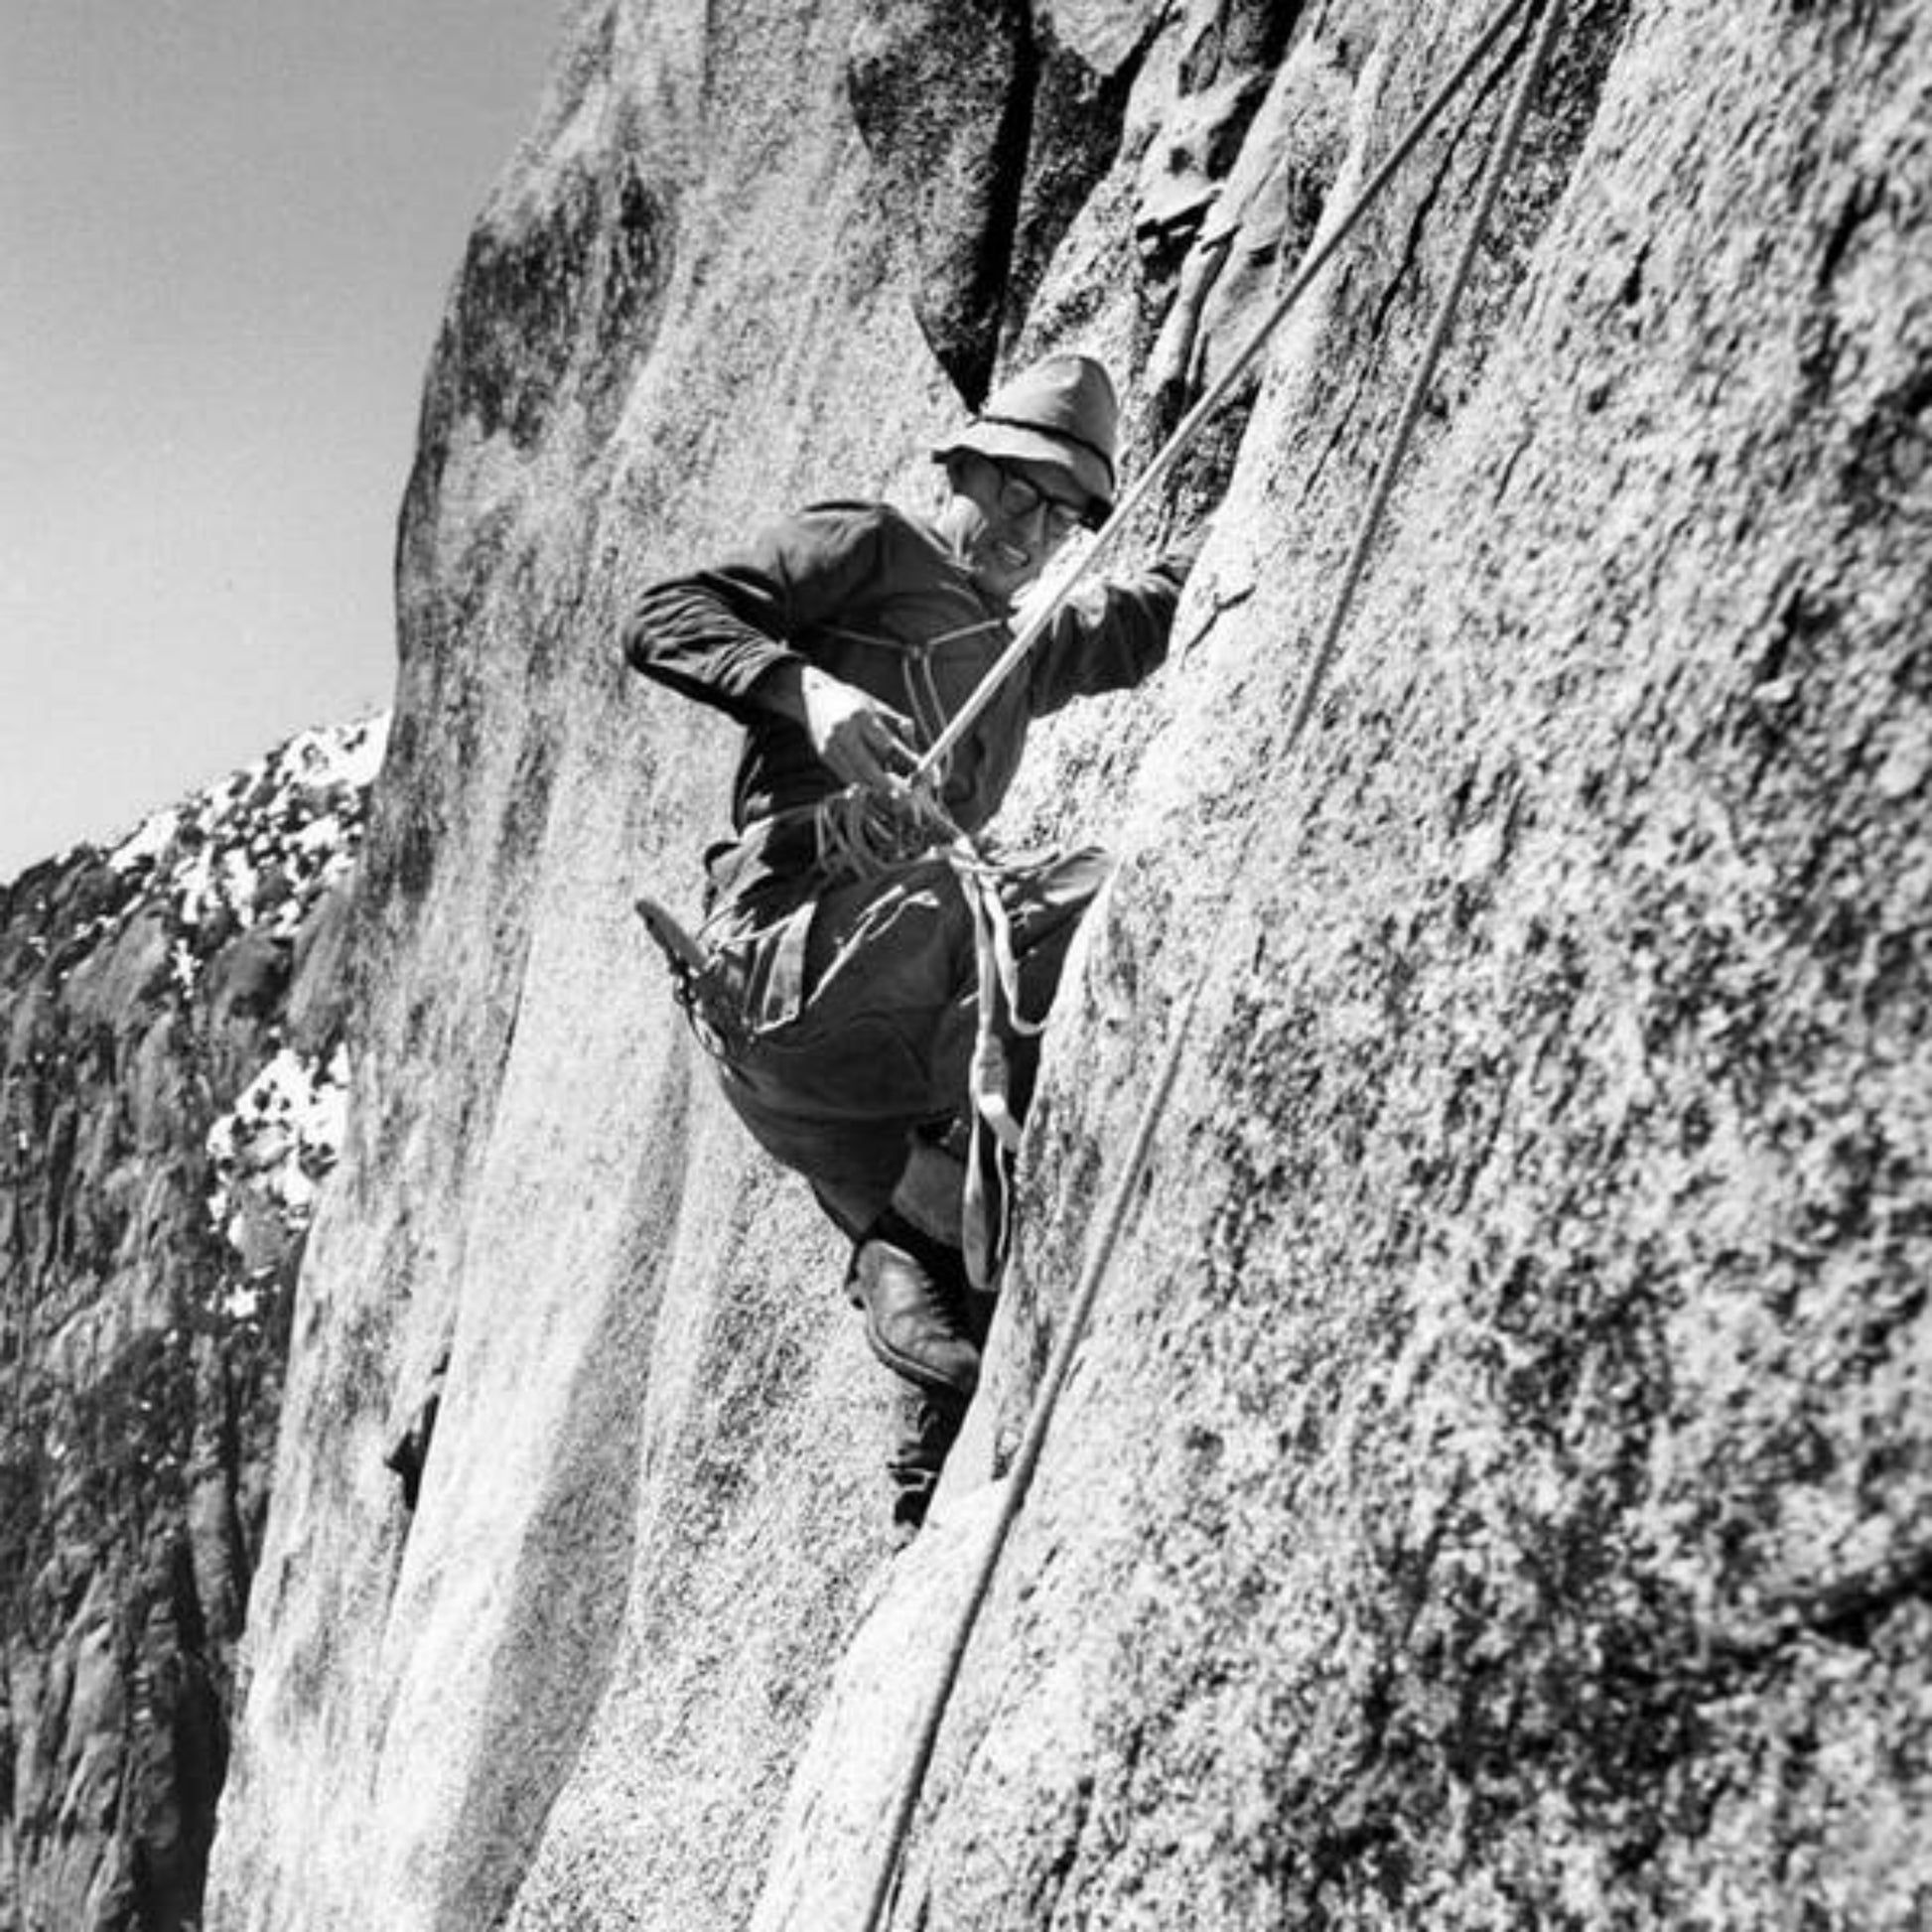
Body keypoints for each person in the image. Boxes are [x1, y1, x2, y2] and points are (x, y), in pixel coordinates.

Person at [622, 352, 1192, 1529]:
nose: (1029, 533)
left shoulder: (1013, 659)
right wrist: (805, 693)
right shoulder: (874, 546)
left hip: (841, 1079)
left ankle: (919, 1343)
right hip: (791, 959)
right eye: (1015, 492)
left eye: (1060, 515)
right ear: (963, 469)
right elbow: (664, 613)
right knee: (1068, 909)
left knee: (983, 1156)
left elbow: (1129, 622)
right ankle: (910, 1233)